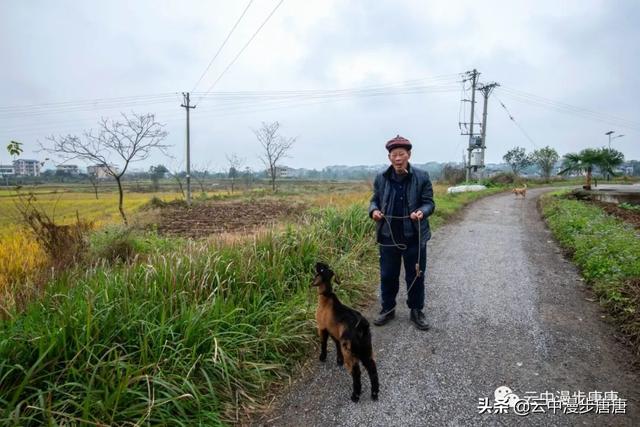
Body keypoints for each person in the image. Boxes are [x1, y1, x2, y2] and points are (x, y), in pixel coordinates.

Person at [369, 135, 435, 330]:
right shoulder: (382, 178)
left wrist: (421, 212)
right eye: (394, 155)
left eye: (401, 154)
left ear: (409, 155)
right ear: (389, 157)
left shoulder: (422, 177)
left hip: (414, 236)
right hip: (388, 237)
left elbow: (429, 203)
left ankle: (416, 310)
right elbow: (374, 200)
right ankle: (388, 309)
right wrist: (373, 211)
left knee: (415, 275)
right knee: (387, 275)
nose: (398, 159)